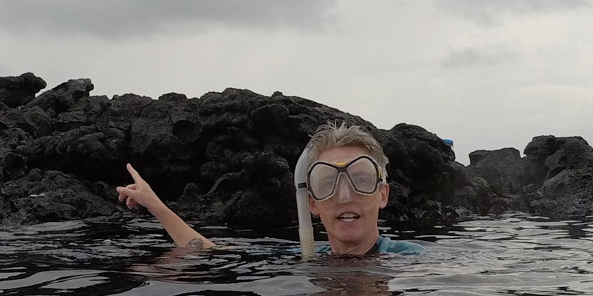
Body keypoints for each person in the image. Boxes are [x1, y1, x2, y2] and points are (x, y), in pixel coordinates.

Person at [116, 122, 425, 256]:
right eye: (327, 183)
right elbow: (207, 252)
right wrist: (156, 205)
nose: (345, 196)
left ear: (382, 194)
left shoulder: (410, 261)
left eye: (360, 178)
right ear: (312, 203)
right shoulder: (304, 256)